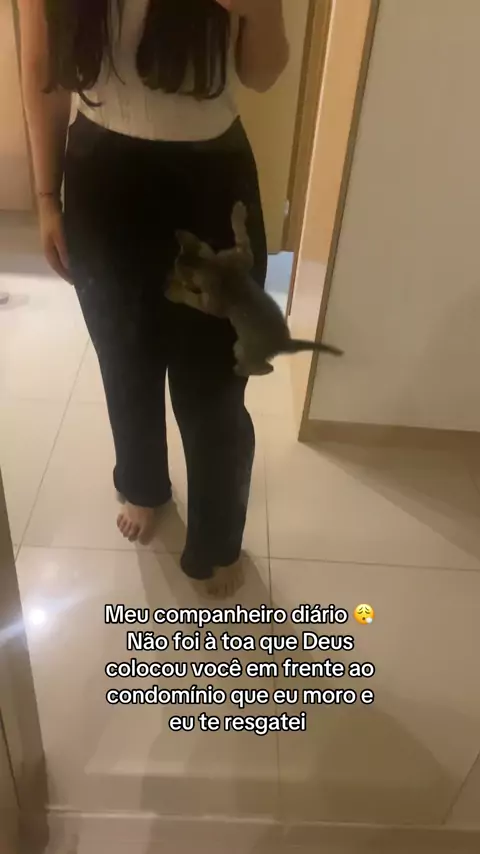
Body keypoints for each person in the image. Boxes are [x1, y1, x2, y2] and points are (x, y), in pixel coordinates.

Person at [18, 0, 289, 597]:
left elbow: (264, 73)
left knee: (214, 387)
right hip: (100, 176)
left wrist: (260, 9)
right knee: (124, 362)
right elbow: (41, 67)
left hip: (210, 181)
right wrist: (44, 197)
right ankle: (142, 483)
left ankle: (217, 538)